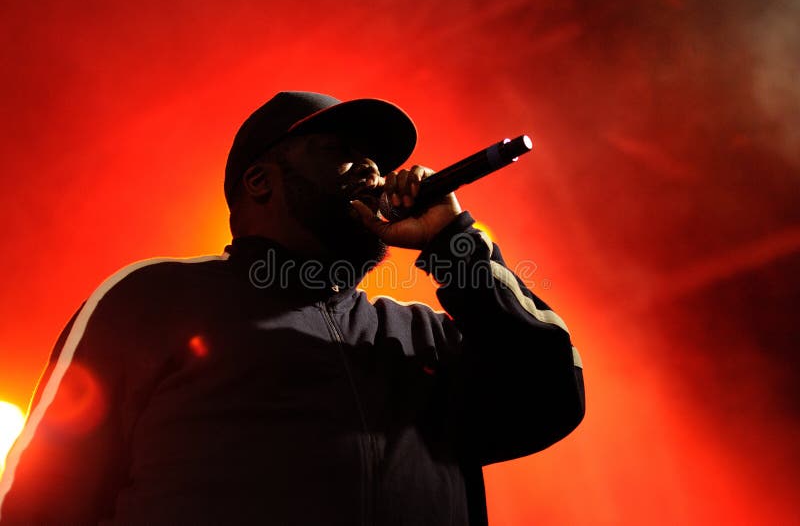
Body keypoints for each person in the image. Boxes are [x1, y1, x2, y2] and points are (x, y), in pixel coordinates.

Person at [0, 91, 585, 525]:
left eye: (377, 160)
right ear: (259, 181)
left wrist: (451, 241)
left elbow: (551, 393)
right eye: (339, 151)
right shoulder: (152, 299)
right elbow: (42, 499)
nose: (373, 172)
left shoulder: (423, 337)